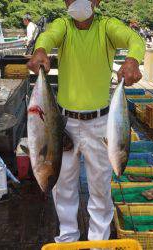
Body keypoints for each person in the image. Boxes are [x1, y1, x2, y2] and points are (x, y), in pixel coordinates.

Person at [27, 0, 145, 242]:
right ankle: (68, 236)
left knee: (101, 187)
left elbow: (135, 40)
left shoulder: (107, 27)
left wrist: (133, 59)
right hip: (62, 123)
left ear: (97, 1)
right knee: (62, 185)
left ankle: (98, 242)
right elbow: (48, 37)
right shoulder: (63, 26)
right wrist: (40, 50)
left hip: (101, 123)